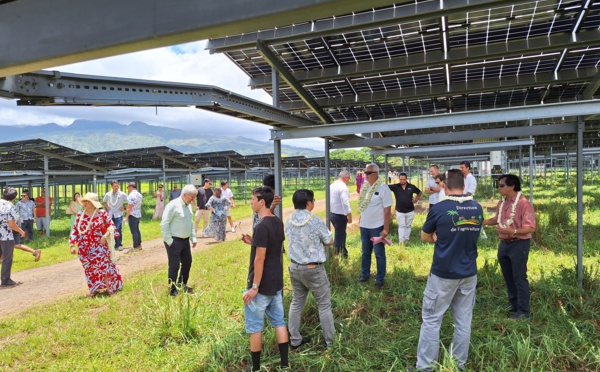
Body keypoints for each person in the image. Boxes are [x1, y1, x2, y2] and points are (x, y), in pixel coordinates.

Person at [416, 169, 483, 371]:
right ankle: (457, 365)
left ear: (444, 186)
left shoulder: (439, 208)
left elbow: (425, 236)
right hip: (468, 273)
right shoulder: (477, 208)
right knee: (463, 321)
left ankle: (425, 367)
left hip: (443, 273)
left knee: (431, 320)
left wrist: (438, 236)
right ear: (464, 185)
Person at [241, 187, 288, 372]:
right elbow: (273, 247)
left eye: (253, 199)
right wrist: (254, 242)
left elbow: (259, 259)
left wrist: (254, 287)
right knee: (279, 322)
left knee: (254, 326)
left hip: (261, 285)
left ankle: (256, 368)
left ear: (262, 202)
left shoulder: (261, 226)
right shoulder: (277, 222)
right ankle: (285, 363)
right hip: (276, 281)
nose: (251, 202)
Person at [286, 189, 335, 349]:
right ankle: (331, 342)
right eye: (313, 200)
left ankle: (294, 339)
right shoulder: (314, 220)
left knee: (297, 302)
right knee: (324, 304)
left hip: (295, 267)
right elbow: (329, 240)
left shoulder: (289, 220)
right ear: (309, 203)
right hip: (313, 269)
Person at [483, 174, 536, 319]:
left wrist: (512, 231)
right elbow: (496, 219)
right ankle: (514, 305)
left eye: (501, 185)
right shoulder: (502, 203)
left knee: (519, 277)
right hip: (504, 243)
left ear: (512, 186)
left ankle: (524, 311)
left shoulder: (523, 203)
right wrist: (480, 222)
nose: (498, 188)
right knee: (508, 276)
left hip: (518, 243)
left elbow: (530, 227)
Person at [69, 192, 123, 297]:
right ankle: (93, 289)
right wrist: (72, 245)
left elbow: (111, 227)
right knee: (89, 269)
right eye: (84, 201)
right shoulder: (80, 215)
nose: (85, 203)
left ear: (93, 203)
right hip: (84, 248)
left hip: (99, 245)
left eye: (87, 201)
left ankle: (110, 288)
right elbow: (75, 230)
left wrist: (104, 236)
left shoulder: (101, 213)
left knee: (103, 267)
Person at [357, 163, 393, 290]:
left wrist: (386, 228)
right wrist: (360, 221)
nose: (365, 175)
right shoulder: (364, 187)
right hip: (364, 226)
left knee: (379, 254)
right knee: (365, 252)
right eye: (365, 173)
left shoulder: (383, 188)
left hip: (377, 227)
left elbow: (387, 210)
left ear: (376, 174)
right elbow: (362, 206)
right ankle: (364, 275)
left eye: (368, 173)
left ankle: (379, 279)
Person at [161, 185, 198, 296]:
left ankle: (182, 284)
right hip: (174, 240)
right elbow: (164, 223)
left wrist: (193, 237)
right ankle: (172, 290)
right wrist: (169, 240)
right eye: (192, 198)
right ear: (184, 195)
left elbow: (190, 223)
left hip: (185, 240)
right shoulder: (173, 205)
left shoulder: (188, 206)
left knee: (187, 262)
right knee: (174, 266)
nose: (193, 200)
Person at [0, 187, 27, 287]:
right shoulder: (10, 206)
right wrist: (21, 231)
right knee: (7, 258)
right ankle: (5, 280)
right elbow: (11, 224)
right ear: (14, 198)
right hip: (5, 236)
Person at [388, 172, 422, 244]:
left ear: (406, 179)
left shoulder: (411, 187)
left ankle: (407, 239)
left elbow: (419, 192)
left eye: (403, 179)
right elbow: (385, 187)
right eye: (401, 179)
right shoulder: (395, 187)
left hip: (410, 210)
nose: (402, 181)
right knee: (401, 225)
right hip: (400, 210)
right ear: (399, 179)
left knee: (408, 225)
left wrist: (416, 199)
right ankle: (401, 241)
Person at [330, 169, 352, 258]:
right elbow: (345, 202)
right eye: (349, 178)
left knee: (342, 233)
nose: (349, 180)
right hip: (340, 215)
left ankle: (344, 253)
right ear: (346, 177)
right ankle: (335, 255)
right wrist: (349, 215)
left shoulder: (331, 185)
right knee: (339, 236)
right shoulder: (343, 187)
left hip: (332, 213)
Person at [103, 181, 128, 251]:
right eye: (115, 186)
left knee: (118, 228)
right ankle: (112, 244)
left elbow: (130, 201)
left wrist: (125, 208)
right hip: (110, 214)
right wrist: (107, 207)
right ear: (111, 186)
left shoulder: (122, 194)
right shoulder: (108, 195)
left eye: (117, 186)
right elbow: (104, 201)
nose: (116, 187)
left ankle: (119, 244)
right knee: (111, 229)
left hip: (118, 214)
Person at [124, 182, 143, 252]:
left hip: (132, 214)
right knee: (137, 230)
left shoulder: (131, 195)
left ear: (131, 187)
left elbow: (130, 207)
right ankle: (139, 244)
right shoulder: (139, 195)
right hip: (138, 213)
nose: (127, 189)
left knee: (134, 231)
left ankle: (136, 246)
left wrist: (126, 217)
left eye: (128, 187)